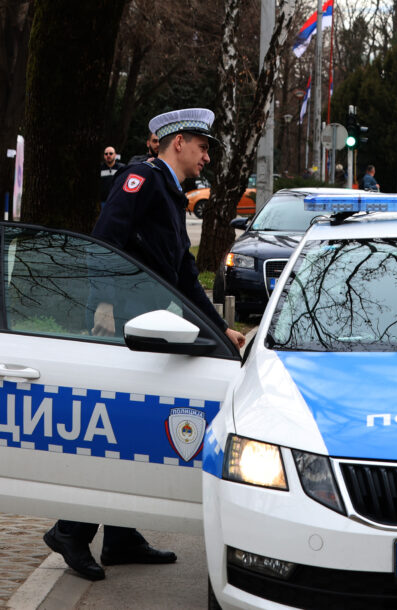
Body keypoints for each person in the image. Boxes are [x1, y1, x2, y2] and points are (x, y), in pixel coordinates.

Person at [43, 108, 246, 582]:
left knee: (129, 426)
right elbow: (105, 242)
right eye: (202, 146)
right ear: (178, 144)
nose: (207, 155)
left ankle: (119, 536)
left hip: (147, 329)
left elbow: (183, 277)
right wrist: (103, 304)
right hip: (121, 328)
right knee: (117, 429)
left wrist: (219, 329)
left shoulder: (170, 194)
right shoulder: (142, 178)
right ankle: (70, 530)